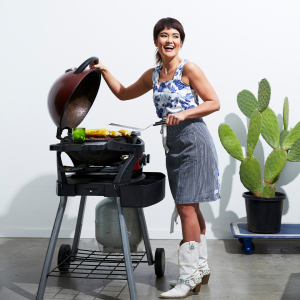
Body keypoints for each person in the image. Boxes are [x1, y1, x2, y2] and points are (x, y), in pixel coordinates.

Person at [89, 17, 221, 299]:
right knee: (190, 207)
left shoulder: (189, 69)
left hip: (194, 139)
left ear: (181, 42)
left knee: (186, 207)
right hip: (172, 144)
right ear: (156, 42)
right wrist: (104, 72)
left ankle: (187, 278)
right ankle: (201, 266)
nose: (169, 40)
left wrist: (184, 113)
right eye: (164, 35)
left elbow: (214, 102)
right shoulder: (153, 74)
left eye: (175, 35)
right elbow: (124, 94)